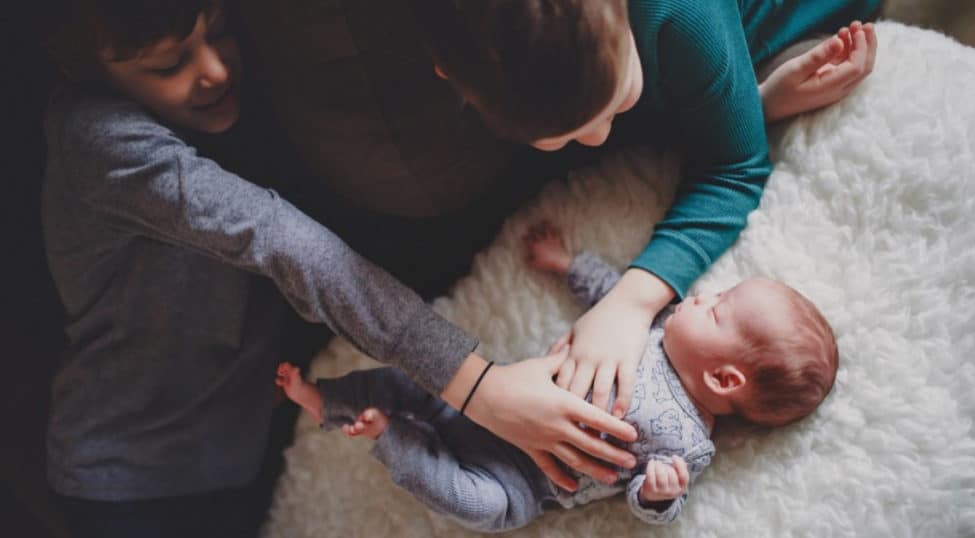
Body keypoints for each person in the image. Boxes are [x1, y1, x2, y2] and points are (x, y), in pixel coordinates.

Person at [40, 1, 637, 535]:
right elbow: (288, 245)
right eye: (169, 64)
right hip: (127, 481)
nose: (215, 69)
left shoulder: (247, 100)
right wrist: (480, 385)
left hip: (242, 457)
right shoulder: (99, 144)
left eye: (218, 30)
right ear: (90, 70)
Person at [408, 0, 878, 445]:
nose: (596, 140)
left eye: (614, 106)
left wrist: (629, 304)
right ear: (447, 75)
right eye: (558, 138)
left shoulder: (681, 15)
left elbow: (734, 172)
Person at [274, 221, 839, 532]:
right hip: (492, 404)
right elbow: (611, 297)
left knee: (476, 508)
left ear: (722, 380)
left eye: (718, 310)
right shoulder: (657, 328)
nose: (703, 295)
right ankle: (329, 400)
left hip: (523, 481)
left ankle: (392, 440)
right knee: (413, 381)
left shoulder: (689, 445)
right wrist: (569, 264)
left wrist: (661, 493)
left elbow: (646, 504)